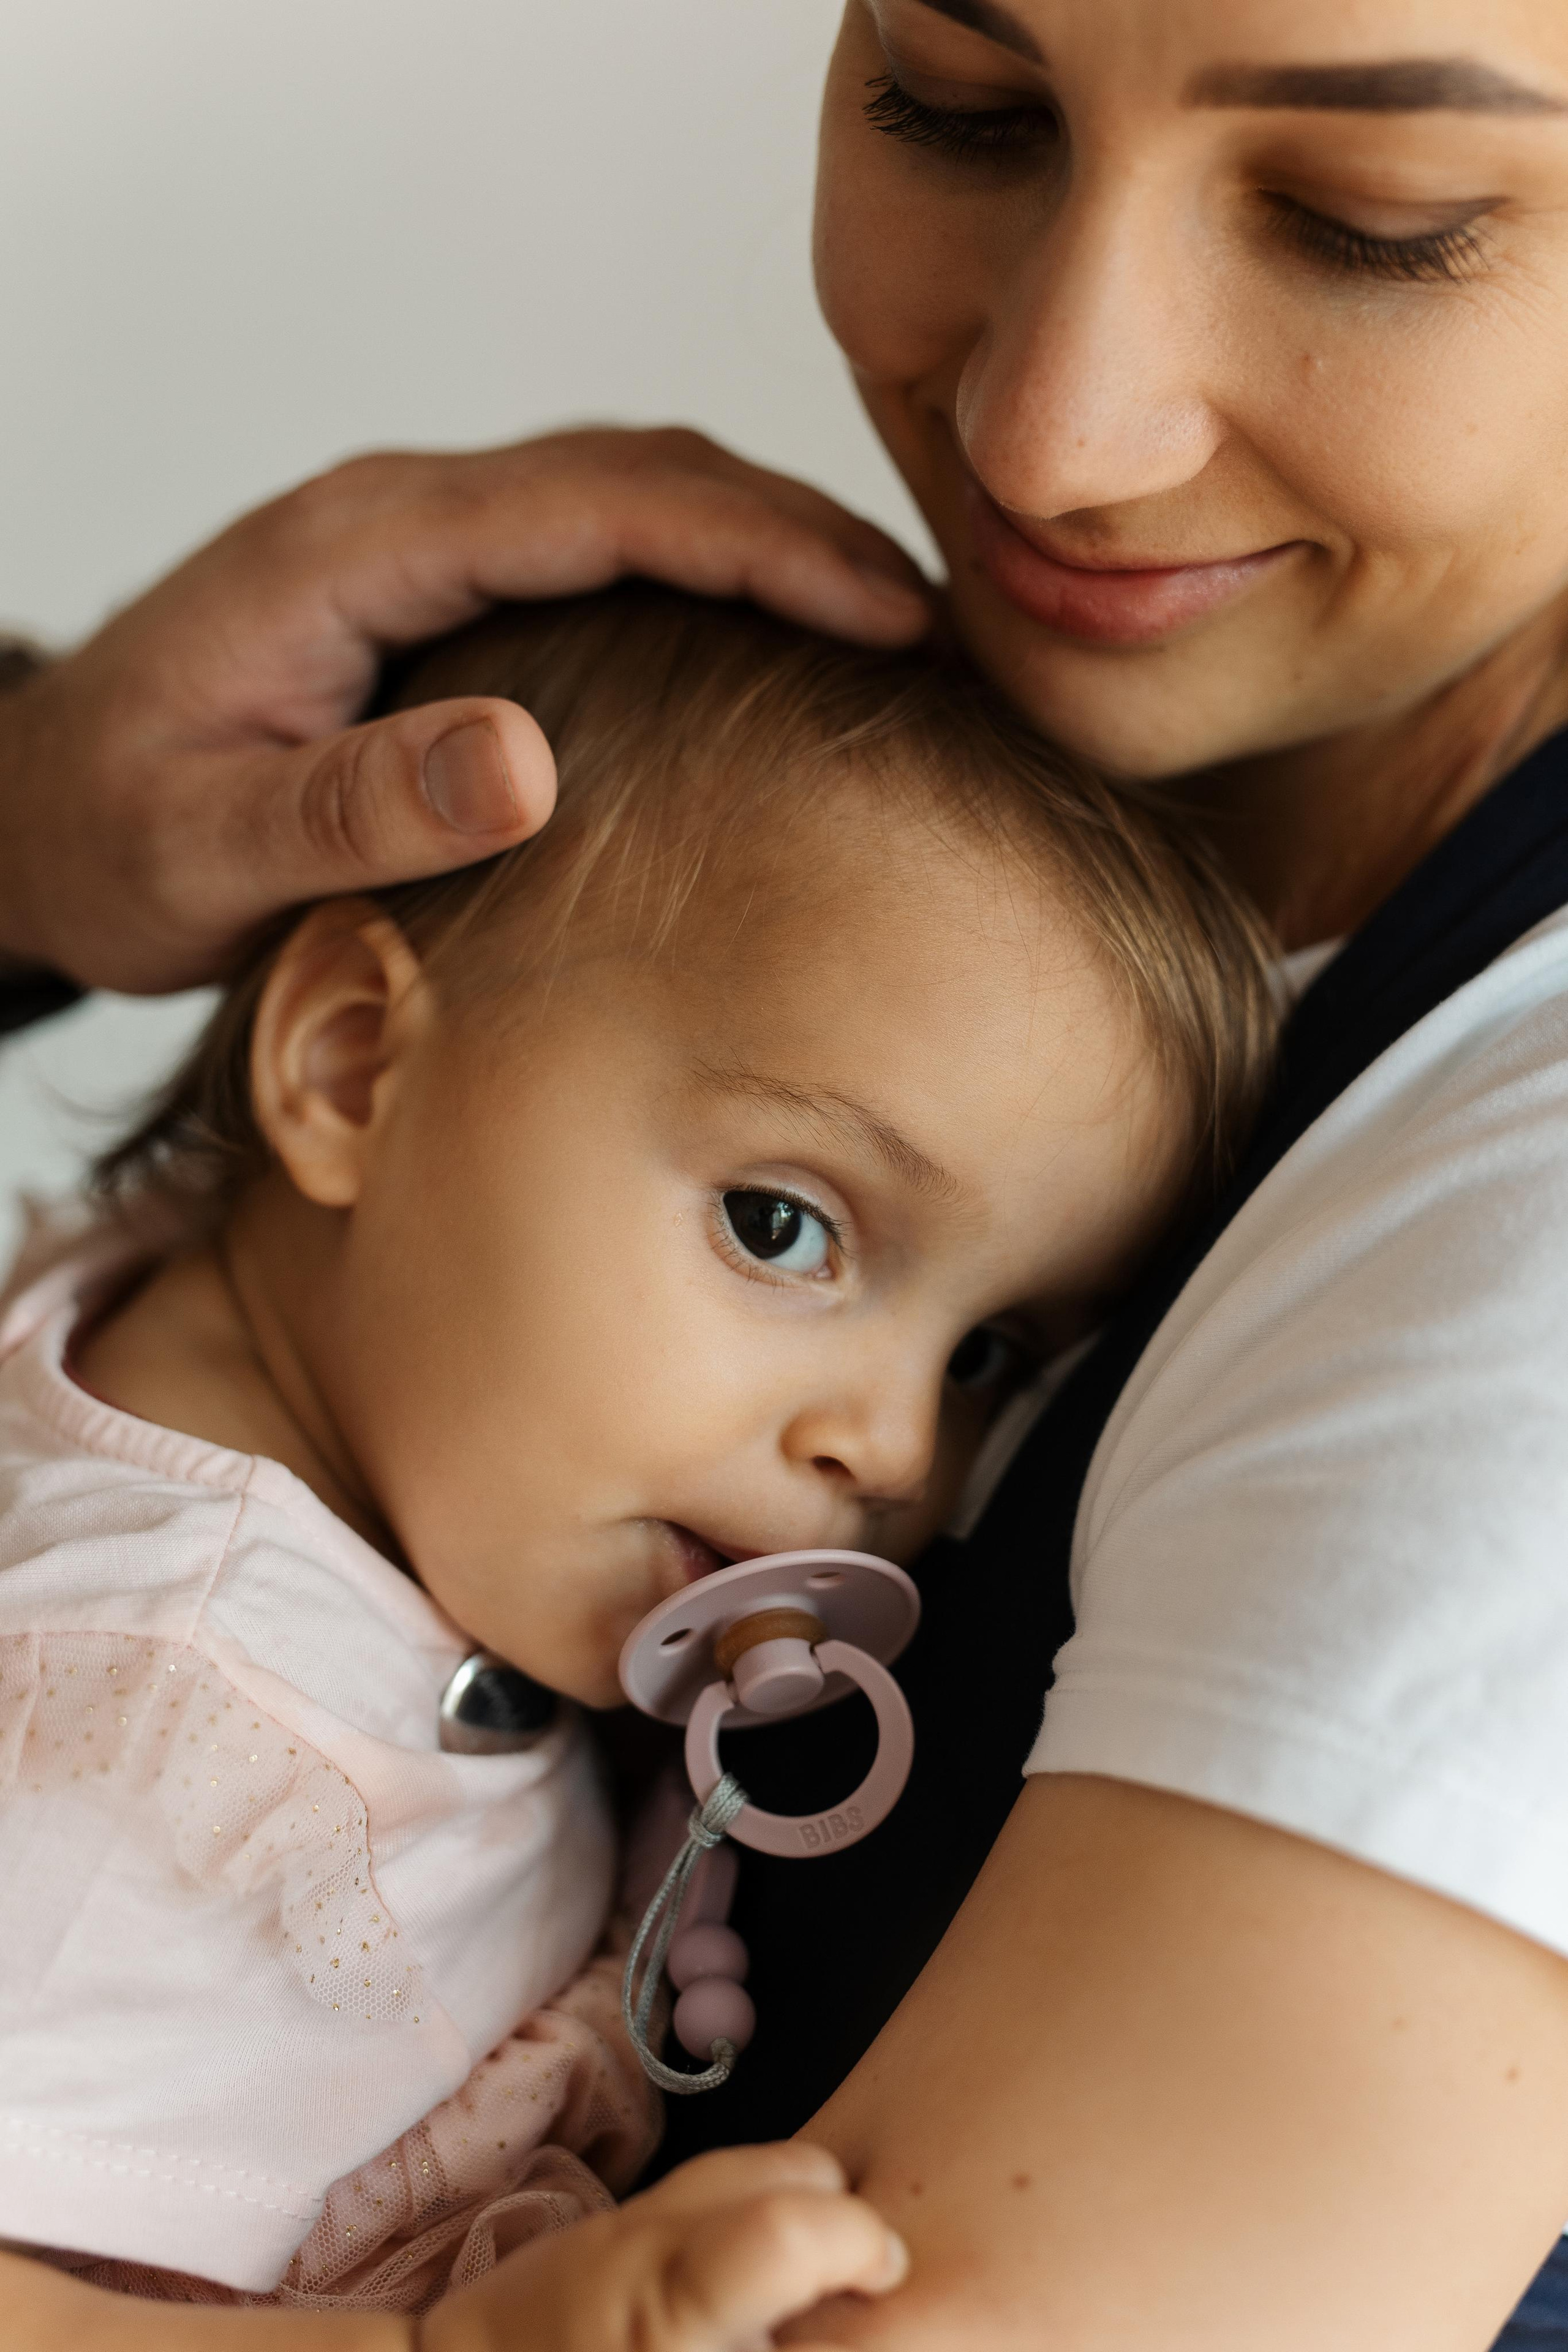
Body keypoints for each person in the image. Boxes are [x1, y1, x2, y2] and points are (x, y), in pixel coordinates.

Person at [9, 0, 1568, 2340]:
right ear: (347, 1054)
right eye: (953, 102)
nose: (1049, 434)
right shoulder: (139, 1755)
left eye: (1379, 221)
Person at [0, 586, 1273, 2341]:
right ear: (354, 1065)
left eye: (985, 1356)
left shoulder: (292, 1414)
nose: (894, 1447)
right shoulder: (135, 1742)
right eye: (782, 1225)